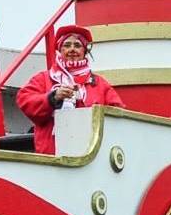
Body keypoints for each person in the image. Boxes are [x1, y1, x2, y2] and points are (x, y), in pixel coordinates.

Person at [15, 26, 125, 154]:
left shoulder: (100, 83)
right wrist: (53, 98)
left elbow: (118, 113)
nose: (72, 49)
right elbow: (24, 99)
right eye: (67, 45)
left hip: (92, 155)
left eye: (77, 45)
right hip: (52, 155)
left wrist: (92, 111)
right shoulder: (43, 78)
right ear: (60, 50)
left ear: (84, 51)